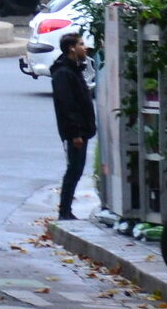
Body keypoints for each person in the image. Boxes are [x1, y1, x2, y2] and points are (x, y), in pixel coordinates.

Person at [50, 33, 95, 221]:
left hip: (81, 130)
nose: (85, 48)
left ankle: (66, 210)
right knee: (74, 170)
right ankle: (64, 211)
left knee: (76, 169)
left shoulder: (73, 69)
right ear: (71, 48)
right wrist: (76, 133)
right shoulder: (64, 73)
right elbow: (68, 105)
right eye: (81, 44)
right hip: (76, 132)